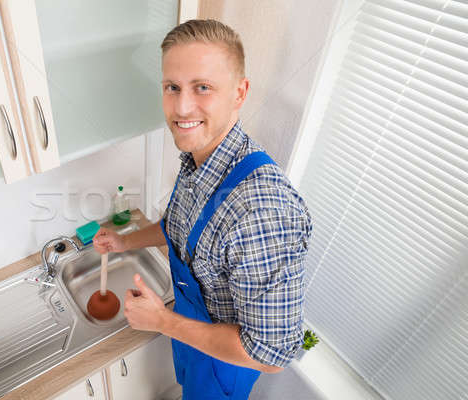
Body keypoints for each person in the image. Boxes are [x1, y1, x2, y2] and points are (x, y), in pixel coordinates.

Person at [92, 19, 313, 400]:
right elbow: (177, 225)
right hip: (194, 343)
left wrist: (162, 321)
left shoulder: (261, 211)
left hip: (225, 370)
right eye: (172, 87)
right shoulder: (198, 159)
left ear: (240, 93)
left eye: (203, 88)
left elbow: (272, 354)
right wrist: (125, 243)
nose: (181, 107)